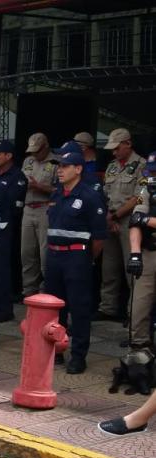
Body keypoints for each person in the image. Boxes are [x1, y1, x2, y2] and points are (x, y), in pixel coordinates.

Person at [44, 151, 107, 374]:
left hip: (77, 258)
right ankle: (57, 351)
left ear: (78, 169)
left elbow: (99, 237)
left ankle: (78, 355)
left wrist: (87, 258)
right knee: (54, 308)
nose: (59, 170)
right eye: (58, 165)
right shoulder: (57, 194)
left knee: (79, 309)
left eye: (65, 165)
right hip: (54, 257)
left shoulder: (90, 196)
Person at [99, 128, 145, 321]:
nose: (114, 152)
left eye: (117, 148)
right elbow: (104, 193)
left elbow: (139, 197)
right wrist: (109, 216)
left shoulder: (142, 165)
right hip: (110, 219)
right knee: (108, 268)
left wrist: (116, 216)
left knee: (131, 269)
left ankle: (132, 313)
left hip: (129, 221)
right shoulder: (111, 166)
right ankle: (107, 308)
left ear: (127, 144)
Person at [0, 140, 27, 347]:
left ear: (9, 156)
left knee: (1, 270)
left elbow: (14, 206)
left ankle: (4, 309)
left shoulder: (17, 177)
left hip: (6, 227)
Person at [21, 132, 58, 297]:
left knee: (45, 254)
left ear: (46, 147)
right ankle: (28, 291)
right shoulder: (28, 161)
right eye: (32, 151)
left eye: (37, 150)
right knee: (27, 253)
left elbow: (62, 190)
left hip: (46, 208)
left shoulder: (57, 162)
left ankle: (45, 291)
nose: (34, 154)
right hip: (28, 208)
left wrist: (40, 186)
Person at [125, 152, 156, 349]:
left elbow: (143, 220)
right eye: (151, 172)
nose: (152, 176)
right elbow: (135, 220)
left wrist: (147, 221)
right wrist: (135, 254)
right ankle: (139, 355)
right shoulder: (148, 189)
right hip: (148, 251)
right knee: (139, 307)